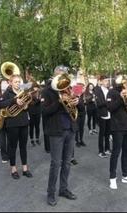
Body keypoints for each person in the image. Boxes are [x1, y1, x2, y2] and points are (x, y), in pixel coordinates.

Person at [43, 66, 78, 206]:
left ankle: (63, 189)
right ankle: (50, 193)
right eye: (61, 76)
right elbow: (44, 112)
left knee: (67, 162)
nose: (63, 79)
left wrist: (77, 102)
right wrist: (59, 102)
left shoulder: (68, 89)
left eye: (65, 76)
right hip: (56, 132)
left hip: (70, 129)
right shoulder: (47, 91)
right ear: (55, 76)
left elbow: (79, 109)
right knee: (56, 164)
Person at [0, 75, 33, 179]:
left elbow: (27, 106)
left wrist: (26, 107)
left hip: (24, 123)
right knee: (12, 147)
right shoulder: (7, 93)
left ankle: (25, 168)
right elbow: (0, 104)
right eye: (16, 82)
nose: (18, 83)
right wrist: (14, 101)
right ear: (11, 82)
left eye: (19, 82)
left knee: (23, 146)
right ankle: (13, 169)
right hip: (12, 123)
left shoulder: (23, 91)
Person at [94, 75, 111, 158]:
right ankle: (101, 151)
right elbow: (99, 104)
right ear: (100, 81)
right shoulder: (97, 90)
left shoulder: (108, 90)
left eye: (107, 81)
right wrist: (108, 102)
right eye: (105, 81)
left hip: (109, 114)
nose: (107, 82)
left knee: (108, 133)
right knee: (102, 133)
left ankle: (107, 149)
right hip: (102, 114)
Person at [0, 79, 10, 163]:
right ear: (0, 85)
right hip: (0, 118)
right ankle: (4, 156)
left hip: (9, 118)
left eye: (6, 83)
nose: (5, 85)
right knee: (2, 139)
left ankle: (9, 153)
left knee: (10, 138)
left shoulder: (9, 93)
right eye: (3, 83)